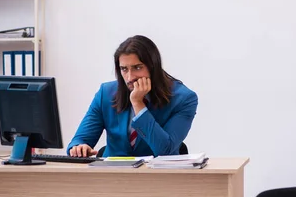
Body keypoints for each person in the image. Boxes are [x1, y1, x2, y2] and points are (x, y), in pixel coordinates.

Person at [67, 35, 198, 157]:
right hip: (111, 176)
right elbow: (80, 139)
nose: (130, 77)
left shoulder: (184, 99)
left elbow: (164, 151)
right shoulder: (106, 93)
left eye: (137, 68)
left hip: (155, 177)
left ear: (153, 66)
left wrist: (138, 104)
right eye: (124, 69)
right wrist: (79, 147)